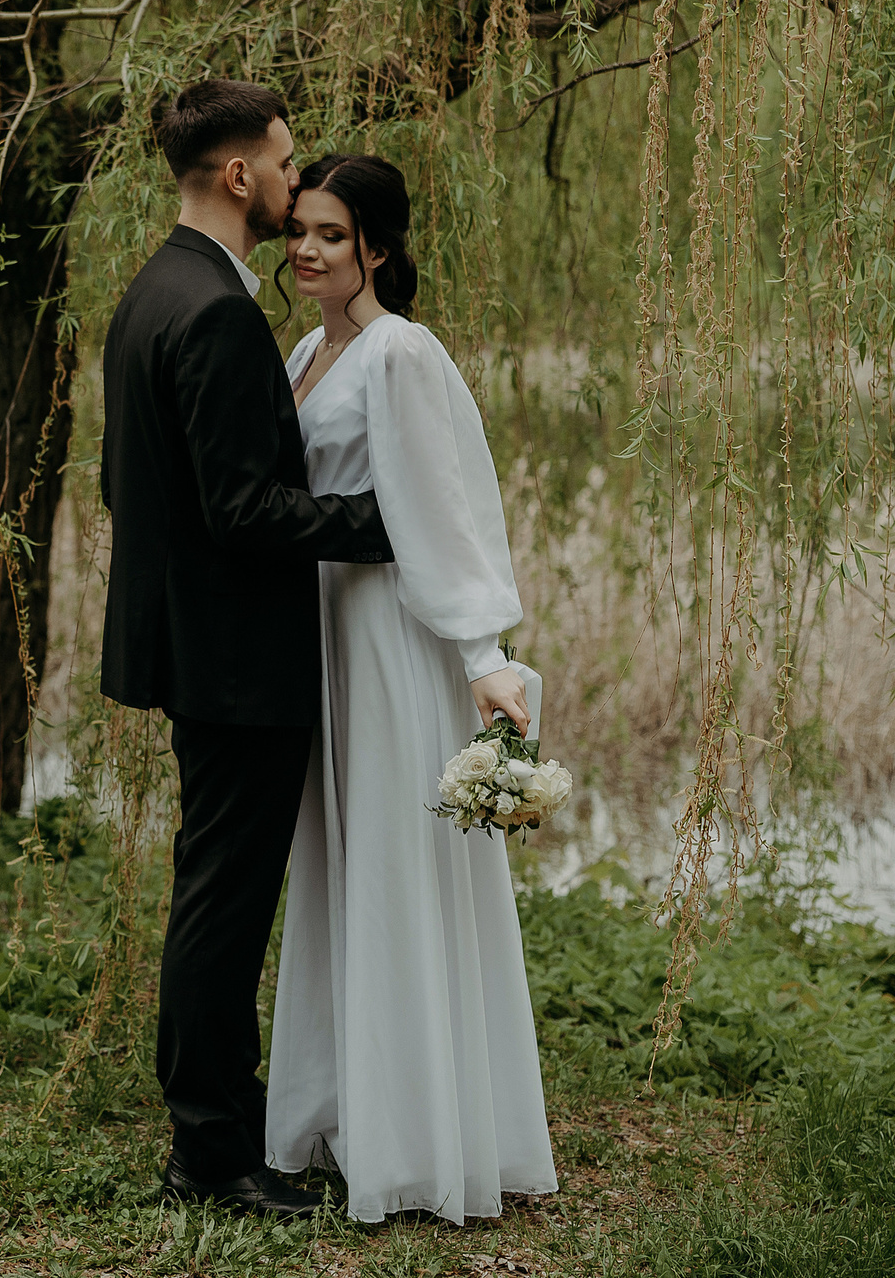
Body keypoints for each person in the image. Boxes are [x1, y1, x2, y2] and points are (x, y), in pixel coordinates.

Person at [98, 80, 395, 1218]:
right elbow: (241, 508)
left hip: (195, 644)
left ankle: (217, 1123)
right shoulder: (217, 310)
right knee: (223, 904)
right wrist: (384, 522)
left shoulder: (154, 289)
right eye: (282, 162)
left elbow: (133, 483)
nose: (292, 178)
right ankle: (212, 1151)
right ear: (238, 175)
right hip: (237, 660)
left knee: (210, 891)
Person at [263, 153, 558, 1224]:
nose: (306, 249)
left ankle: (419, 1137)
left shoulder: (399, 350)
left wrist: (482, 653)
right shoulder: (308, 348)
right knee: (340, 864)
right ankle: (346, 1108)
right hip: (324, 632)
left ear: (377, 249)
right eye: (300, 229)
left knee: (392, 862)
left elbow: (442, 505)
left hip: (386, 634)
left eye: (332, 234)